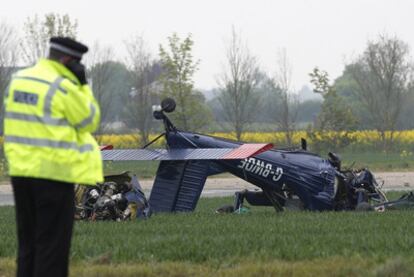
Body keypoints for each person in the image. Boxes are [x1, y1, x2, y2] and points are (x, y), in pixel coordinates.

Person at [3, 37, 103, 277]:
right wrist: (82, 84)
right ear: (68, 60)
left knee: (28, 245)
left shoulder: (19, 80)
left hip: (21, 174)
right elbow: (90, 119)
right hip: (53, 175)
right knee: (52, 249)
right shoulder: (63, 86)